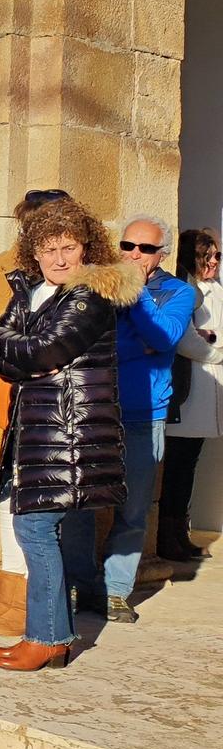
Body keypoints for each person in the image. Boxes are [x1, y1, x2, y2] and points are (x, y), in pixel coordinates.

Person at [0, 198, 141, 670]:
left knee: (35, 527)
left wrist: (16, 352)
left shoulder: (87, 295)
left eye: (68, 247)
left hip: (67, 432)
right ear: (34, 253)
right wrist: (16, 352)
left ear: (85, 248)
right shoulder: (33, 291)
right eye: (48, 249)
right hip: (40, 430)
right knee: (36, 527)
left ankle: (49, 638)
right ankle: (48, 635)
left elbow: (43, 351)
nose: (58, 259)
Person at [0, 189, 74, 636]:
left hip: (47, 405)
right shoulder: (2, 264)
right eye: (30, 223)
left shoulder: (76, 273)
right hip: (0, 396)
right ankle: (8, 594)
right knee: (5, 498)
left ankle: (31, 603)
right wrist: (12, 348)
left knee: (36, 507)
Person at [87, 215, 197, 623]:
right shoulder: (99, 283)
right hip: (95, 408)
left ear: (161, 255)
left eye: (146, 248)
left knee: (133, 509)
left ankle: (116, 591)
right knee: (81, 503)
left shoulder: (178, 292)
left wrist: (136, 295)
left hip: (143, 414)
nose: (134, 255)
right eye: (128, 246)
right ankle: (78, 583)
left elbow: (164, 337)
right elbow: (91, 343)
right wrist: (138, 347)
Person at [162, 227, 222, 563]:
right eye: (206, 256)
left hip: (207, 390)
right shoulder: (185, 288)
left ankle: (179, 534)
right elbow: (185, 340)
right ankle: (167, 536)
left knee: (188, 464)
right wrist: (216, 352)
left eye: (217, 256)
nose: (213, 262)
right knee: (176, 466)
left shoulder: (214, 289)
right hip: (188, 391)